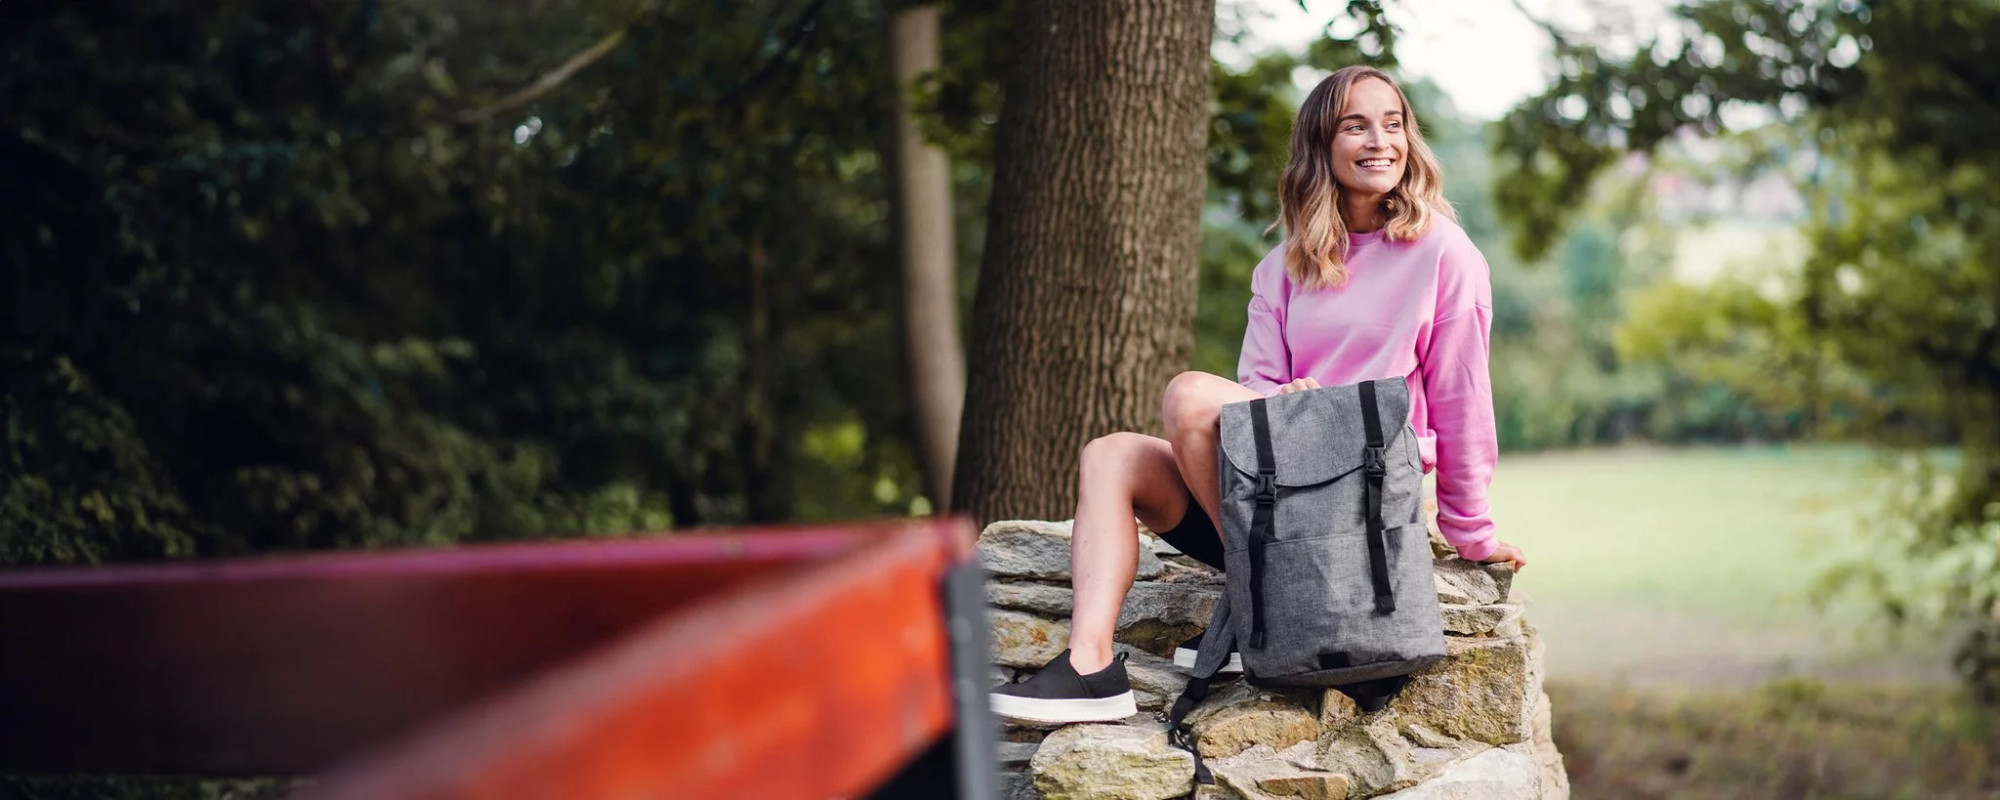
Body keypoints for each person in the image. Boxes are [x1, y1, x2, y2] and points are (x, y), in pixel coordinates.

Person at [989, 66, 1529, 726]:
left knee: (1189, 394)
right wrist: (1285, 400)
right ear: (1321, 146)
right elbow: (1257, 393)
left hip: (1359, 500)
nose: (1380, 141)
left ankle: (1262, 592)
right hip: (1275, 494)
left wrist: (1472, 533)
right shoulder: (1284, 267)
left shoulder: (1444, 253)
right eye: (1356, 126)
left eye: (1393, 125)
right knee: (1111, 454)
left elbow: (1462, 398)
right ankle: (1090, 667)